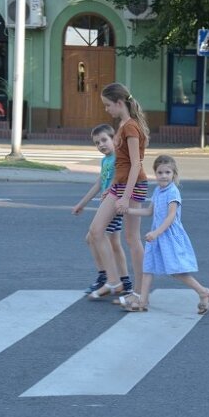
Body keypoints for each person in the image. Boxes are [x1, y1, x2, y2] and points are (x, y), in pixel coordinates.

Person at [122, 155, 209, 314]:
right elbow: (149, 211)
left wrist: (156, 232)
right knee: (148, 267)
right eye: (160, 172)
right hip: (156, 237)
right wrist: (129, 210)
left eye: (167, 172)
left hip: (168, 236)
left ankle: (203, 292)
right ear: (155, 174)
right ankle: (142, 301)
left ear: (174, 174)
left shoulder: (173, 192)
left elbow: (171, 216)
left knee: (176, 271)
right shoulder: (158, 190)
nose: (163, 176)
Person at [87, 83, 149, 305]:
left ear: (120, 103)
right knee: (97, 231)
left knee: (131, 239)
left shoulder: (131, 127)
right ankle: (116, 283)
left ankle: (139, 293)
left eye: (107, 105)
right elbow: (120, 164)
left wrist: (123, 196)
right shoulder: (124, 125)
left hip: (131, 185)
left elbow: (135, 164)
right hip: (121, 185)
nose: (106, 110)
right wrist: (111, 189)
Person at [72, 124, 131, 297]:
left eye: (104, 140)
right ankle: (124, 281)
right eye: (97, 143)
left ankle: (106, 277)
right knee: (114, 244)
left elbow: (119, 180)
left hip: (114, 205)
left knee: (92, 237)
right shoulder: (105, 160)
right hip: (107, 204)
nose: (101, 145)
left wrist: (111, 192)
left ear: (114, 139)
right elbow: (99, 183)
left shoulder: (118, 158)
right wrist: (81, 203)